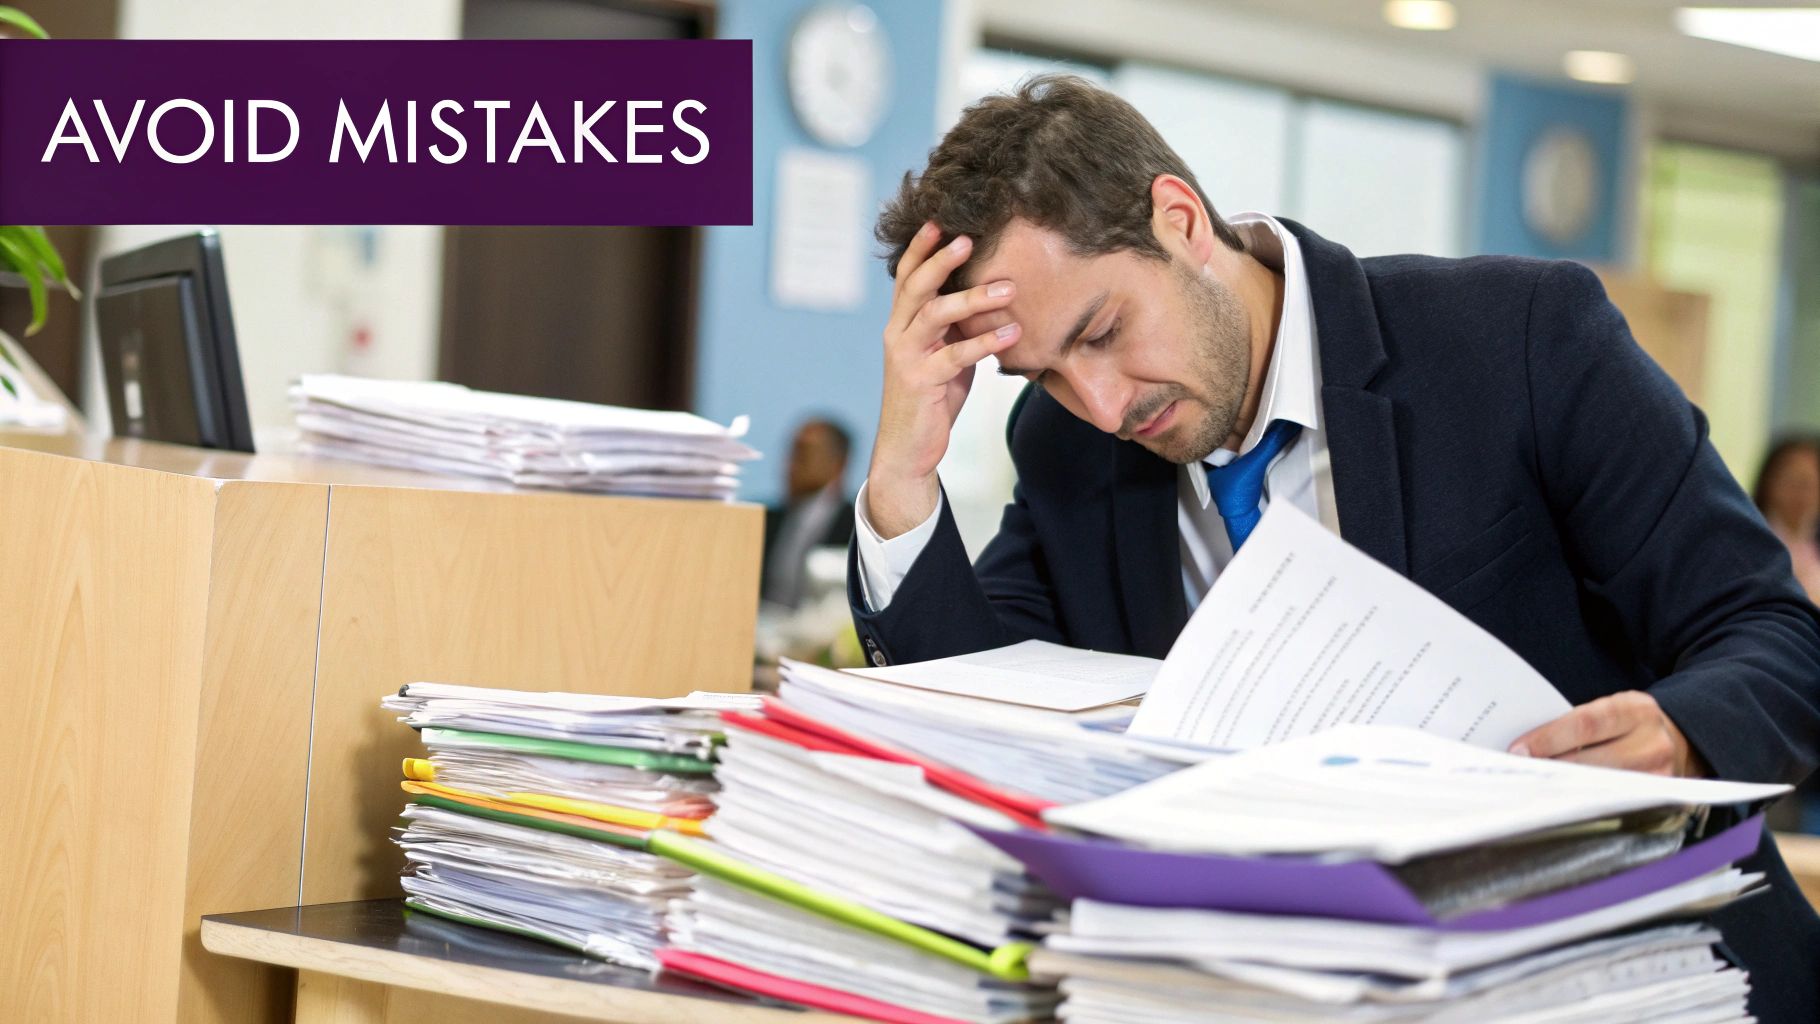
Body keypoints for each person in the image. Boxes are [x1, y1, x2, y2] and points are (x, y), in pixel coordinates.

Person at [845, 75, 1820, 1019]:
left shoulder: (1520, 340)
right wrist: (900, 480)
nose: (1101, 405)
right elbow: (984, 725)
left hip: (1639, 972)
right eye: (1042, 374)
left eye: (1101, 330)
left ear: (1179, 221)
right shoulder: (1066, 452)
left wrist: (1681, 734)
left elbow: (1776, 633)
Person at [762, 416, 855, 609]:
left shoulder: (857, 530)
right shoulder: (767, 520)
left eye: (803, 454)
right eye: (790, 453)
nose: (790, 465)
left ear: (838, 464)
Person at [1755, 434, 1820, 604]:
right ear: (1769, 481)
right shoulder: (1751, 538)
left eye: (1809, 484)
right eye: (1793, 482)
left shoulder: (1812, 540)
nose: (1802, 495)